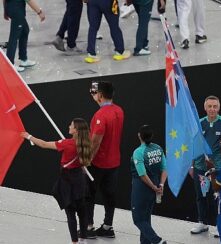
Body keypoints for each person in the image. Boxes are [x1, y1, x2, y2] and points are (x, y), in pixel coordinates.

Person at [21, 118, 91, 244]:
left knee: (70, 213)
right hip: (80, 180)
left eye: (71, 125)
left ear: (75, 130)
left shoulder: (67, 144)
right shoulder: (86, 144)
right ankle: (83, 239)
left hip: (67, 181)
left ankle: (74, 241)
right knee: (82, 211)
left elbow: (43, 144)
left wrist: (29, 136)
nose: (69, 125)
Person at [86, 81, 124, 238]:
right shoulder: (119, 111)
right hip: (114, 162)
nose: (93, 95)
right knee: (109, 195)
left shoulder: (100, 115)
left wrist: (87, 160)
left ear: (100, 95)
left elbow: (95, 142)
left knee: (89, 195)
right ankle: (108, 227)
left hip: (98, 163)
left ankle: (88, 228)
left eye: (95, 93)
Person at [190, 95, 221, 235]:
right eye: (210, 106)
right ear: (205, 107)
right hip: (200, 168)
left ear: (219, 107)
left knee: (219, 197)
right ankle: (202, 222)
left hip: (218, 169)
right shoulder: (199, 122)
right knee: (201, 196)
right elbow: (193, 146)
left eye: (215, 106)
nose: (212, 109)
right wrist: (192, 166)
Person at [131, 125, 167, 244]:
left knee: (138, 219)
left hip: (142, 188)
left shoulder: (138, 152)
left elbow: (142, 174)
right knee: (146, 218)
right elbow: (164, 168)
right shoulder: (158, 148)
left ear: (139, 136)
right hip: (156, 184)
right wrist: (160, 185)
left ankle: (157, 241)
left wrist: (153, 187)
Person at [3, 0, 45, 72]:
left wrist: (5, 10)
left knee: (25, 31)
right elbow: (29, 0)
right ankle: (10, 64)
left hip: (11, 8)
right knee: (14, 36)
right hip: (17, 10)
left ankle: (24, 59)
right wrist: (39, 12)